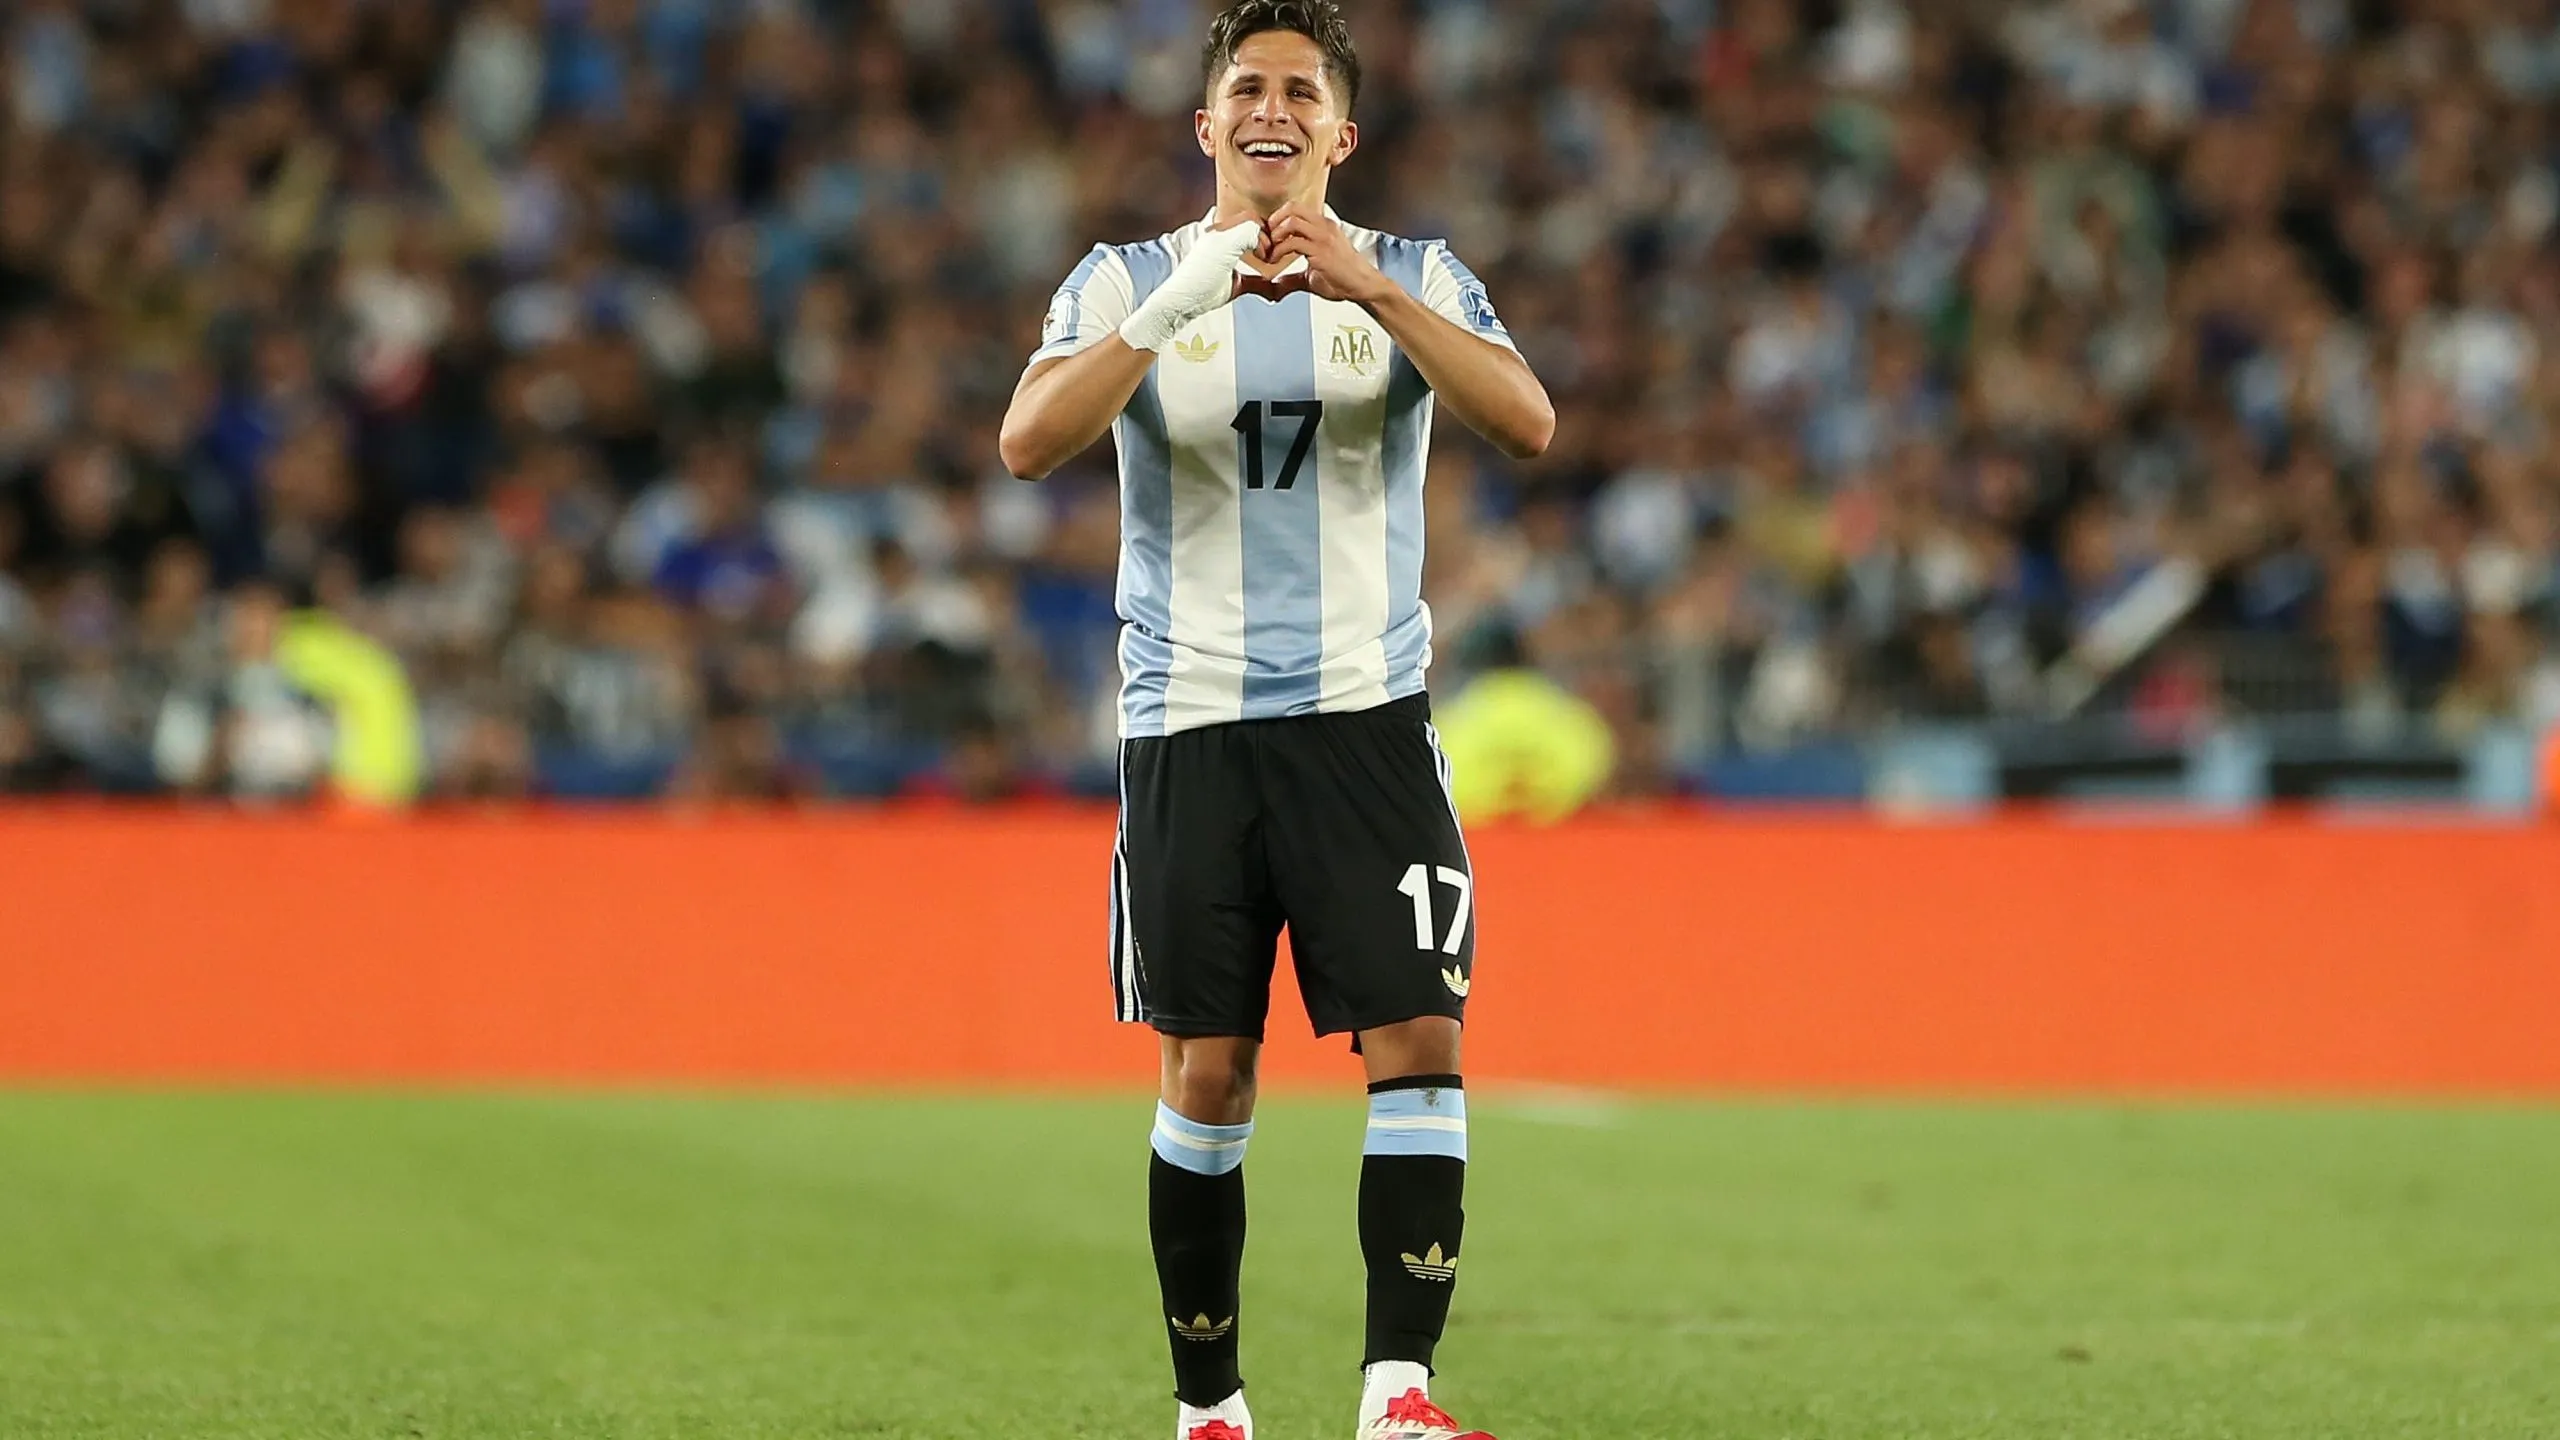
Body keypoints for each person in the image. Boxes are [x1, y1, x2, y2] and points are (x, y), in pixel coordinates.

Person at [998, 5, 1554, 1440]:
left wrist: (1371, 290)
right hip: (1191, 725)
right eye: (1245, 86)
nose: (1272, 107)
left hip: (1366, 718)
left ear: (1340, 132)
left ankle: (1398, 1395)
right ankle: (1212, 1410)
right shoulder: (1121, 279)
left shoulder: (1415, 271)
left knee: (1421, 1032)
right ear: (1205, 126)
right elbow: (1029, 442)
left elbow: (1529, 421)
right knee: (1210, 1067)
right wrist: (1180, 305)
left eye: (1301, 91)